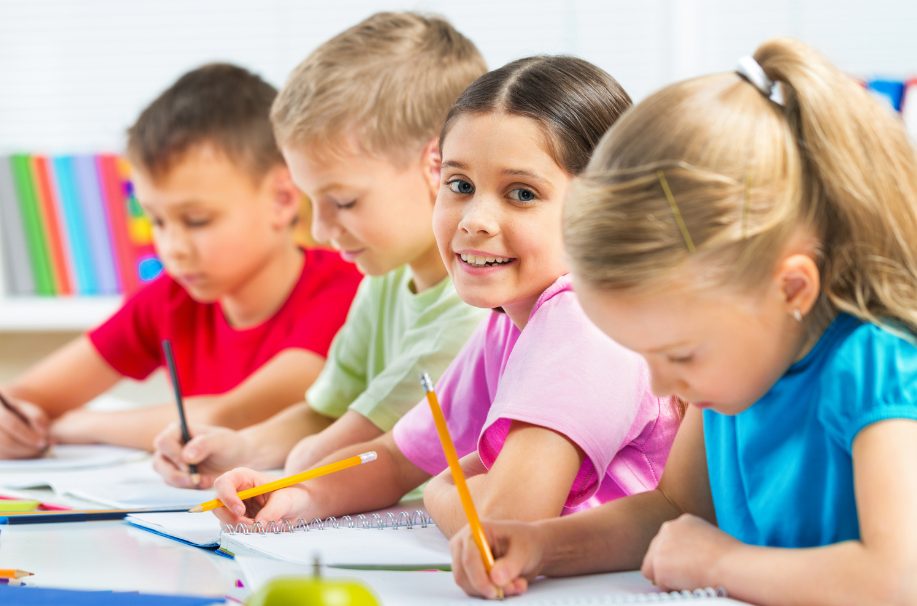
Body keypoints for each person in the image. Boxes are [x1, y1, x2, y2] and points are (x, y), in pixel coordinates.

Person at [451, 38, 917, 605]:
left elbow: (897, 578)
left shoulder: (875, 369)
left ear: (790, 289)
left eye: (678, 354)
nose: (660, 385)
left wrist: (725, 561)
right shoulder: (732, 372)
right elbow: (672, 510)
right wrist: (541, 547)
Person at [207, 56, 681, 540]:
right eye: (460, 185)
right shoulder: (506, 325)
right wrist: (294, 494)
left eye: (521, 193)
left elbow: (501, 523)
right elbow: (393, 459)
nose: (474, 218)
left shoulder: (585, 320)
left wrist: (440, 490)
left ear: (607, 208)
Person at [152, 12, 489, 488]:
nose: (320, 226)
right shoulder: (383, 279)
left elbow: (329, 451)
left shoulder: (477, 308)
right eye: (313, 200)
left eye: (344, 201)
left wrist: (281, 463)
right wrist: (240, 448)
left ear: (437, 167)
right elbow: (323, 413)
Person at [0, 63, 361, 457]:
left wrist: (82, 424)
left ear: (282, 199)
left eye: (196, 220)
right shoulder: (169, 300)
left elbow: (229, 416)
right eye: (156, 219)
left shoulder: (347, 290)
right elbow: (22, 397)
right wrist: (17, 420)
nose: (172, 248)